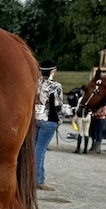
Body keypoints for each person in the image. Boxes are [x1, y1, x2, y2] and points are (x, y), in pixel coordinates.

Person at [34, 59, 63, 191]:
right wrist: (59, 122)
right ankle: (38, 180)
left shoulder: (36, 84)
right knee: (40, 151)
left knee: (34, 150)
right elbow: (58, 106)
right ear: (52, 71)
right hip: (49, 120)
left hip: (36, 118)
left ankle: (35, 178)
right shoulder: (55, 86)